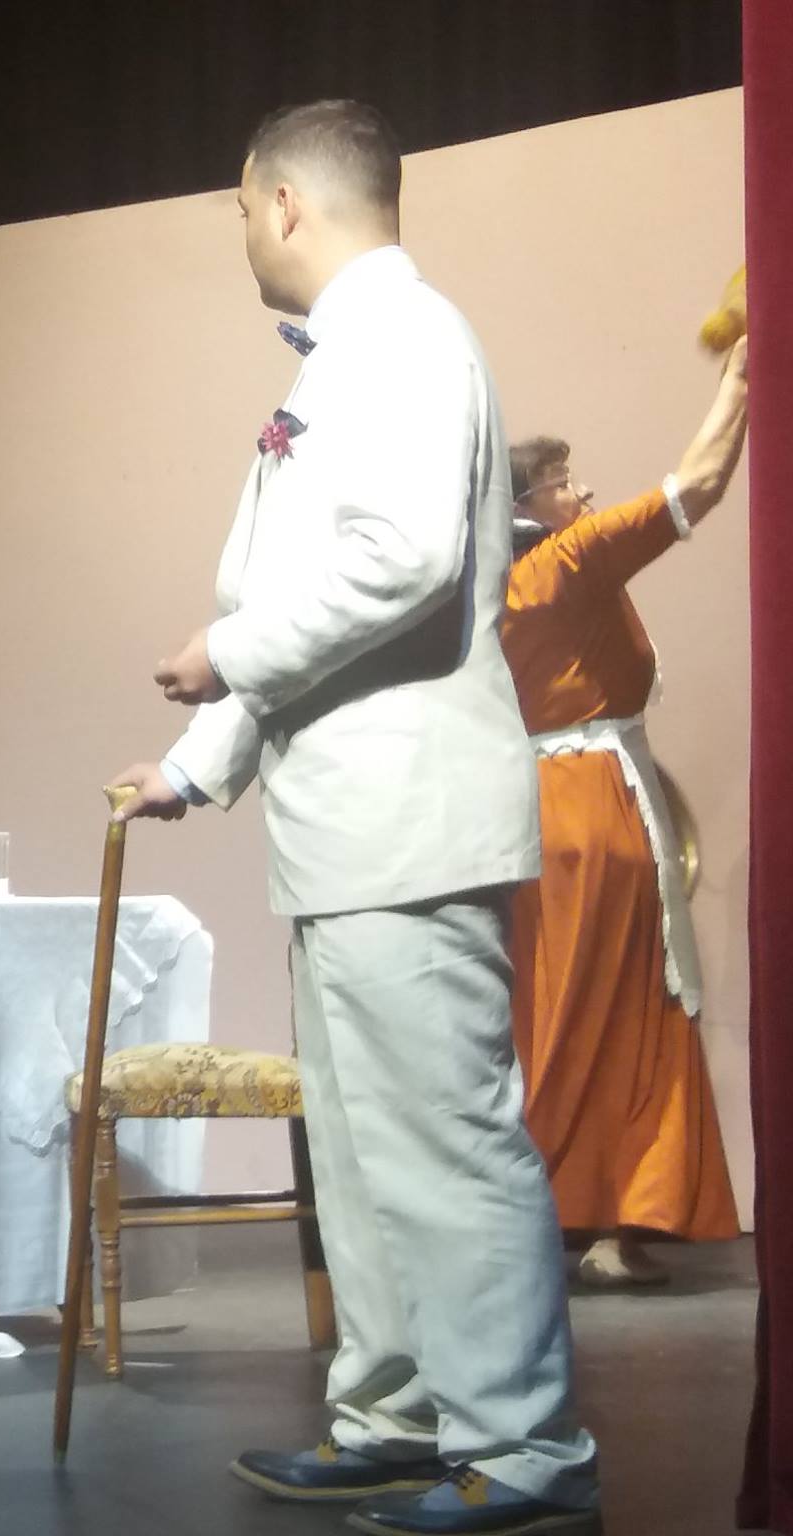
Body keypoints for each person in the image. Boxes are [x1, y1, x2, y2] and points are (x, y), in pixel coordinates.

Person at [112, 102, 598, 1535]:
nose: (243, 235)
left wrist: (226, 655)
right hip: (348, 827)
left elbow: (401, 561)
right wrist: (197, 760)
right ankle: (398, 1414)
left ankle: (524, 1447)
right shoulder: (351, 351)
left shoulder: (402, 338)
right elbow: (318, 593)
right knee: (366, 1149)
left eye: (239, 211)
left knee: (443, 1141)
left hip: (406, 820)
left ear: (280, 203)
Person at [503, 341, 749, 1287]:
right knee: (603, 1014)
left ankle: (591, 1213)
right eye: (565, 483)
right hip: (589, 811)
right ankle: (580, 1209)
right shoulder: (566, 562)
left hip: (550, 809)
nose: (584, 492)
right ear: (528, 505)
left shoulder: (500, 584)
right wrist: (741, 383)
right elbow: (697, 485)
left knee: (571, 1011)